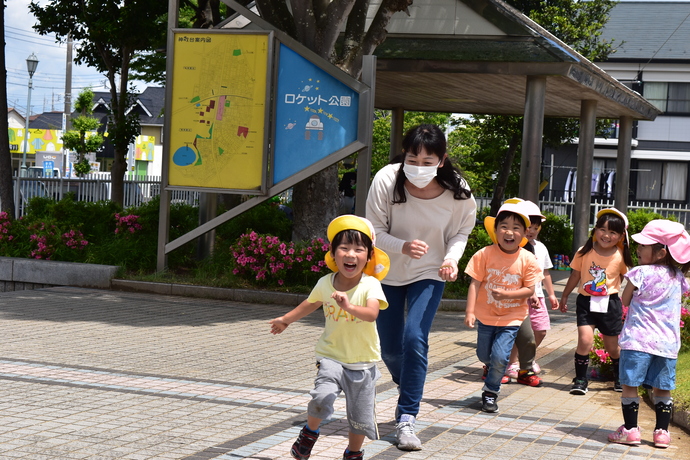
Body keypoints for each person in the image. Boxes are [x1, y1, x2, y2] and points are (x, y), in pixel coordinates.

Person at [365, 124, 476, 450]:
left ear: (441, 161)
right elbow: (373, 230)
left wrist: (452, 260)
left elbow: (460, 233)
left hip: (430, 271)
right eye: (413, 159)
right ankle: (408, 382)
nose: (419, 168)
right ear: (404, 156)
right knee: (390, 349)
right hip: (387, 271)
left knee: (415, 337)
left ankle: (406, 418)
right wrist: (402, 246)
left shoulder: (459, 191)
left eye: (428, 162)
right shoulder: (387, 179)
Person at [268, 215, 390, 460]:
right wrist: (286, 320)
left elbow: (371, 314)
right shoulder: (326, 283)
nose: (350, 254)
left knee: (360, 417)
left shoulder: (371, 285)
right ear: (333, 254)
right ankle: (309, 434)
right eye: (343, 248)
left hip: (362, 362)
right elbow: (309, 304)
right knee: (322, 396)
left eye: (358, 249)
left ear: (368, 256)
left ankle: (353, 453)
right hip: (330, 355)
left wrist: (348, 307)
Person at [608, 220, 690, 448]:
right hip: (667, 345)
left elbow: (624, 301)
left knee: (630, 385)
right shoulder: (678, 277)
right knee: (663, 387)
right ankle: (662, 433)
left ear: (661, 252)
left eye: (643, 245)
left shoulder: (639, 273)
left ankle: (631, 431)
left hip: (637, 341)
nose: (638, 249)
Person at [464, 200, 543, 413]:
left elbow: (529, 289)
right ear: (496, 230)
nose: (510, 232)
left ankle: (490, 393)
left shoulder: (528, 258)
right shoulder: (484, 254)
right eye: (504, 227)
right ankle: (491, 368)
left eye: (516, 228)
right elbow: (475, 283)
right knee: (484, 355)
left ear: (525, 233)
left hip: (512, 318)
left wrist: (507, 294)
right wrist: (470, 311)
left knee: (500, 358)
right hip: (486, 315)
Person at [558, 208, 634, 395]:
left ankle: (619, 377)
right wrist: (565, 295)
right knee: (585, 340)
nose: (606, 235)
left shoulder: (620, 255)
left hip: (610, 304)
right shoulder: (583, 252)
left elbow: (627, 277)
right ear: (595, 230)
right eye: (603, 229)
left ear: (620, 236)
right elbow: (575, 275)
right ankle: (580, 380)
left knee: (612, 347)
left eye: (613, 232)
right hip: (586, 302)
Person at [505, 200, 559, 385]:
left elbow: (545, 273)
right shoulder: (513, 247)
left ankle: (526, 359)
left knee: (541, 330)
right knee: (517, 332)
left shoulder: (541, 247)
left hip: (539, 296)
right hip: (520, 296)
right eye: (528, 226)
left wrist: (551, 294)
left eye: (535, 227)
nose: (531, 231)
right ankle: (512, 364)